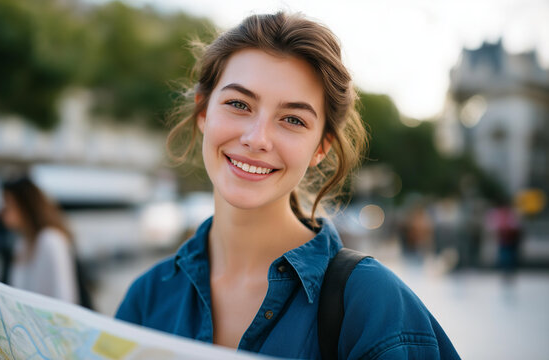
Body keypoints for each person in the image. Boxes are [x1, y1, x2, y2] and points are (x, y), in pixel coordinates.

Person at [115, 12, 460, 359]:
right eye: (238, 104)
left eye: (293, 119)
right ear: (203, 111)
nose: (257, 138)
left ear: (321, 147)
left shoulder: (373, 303)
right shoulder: (148, 299)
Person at [0, 176, 80, 304]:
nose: (2, 210)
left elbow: (65, 297)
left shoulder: (51, 240)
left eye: (8, 204)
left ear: (25, 205)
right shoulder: (21, 242)